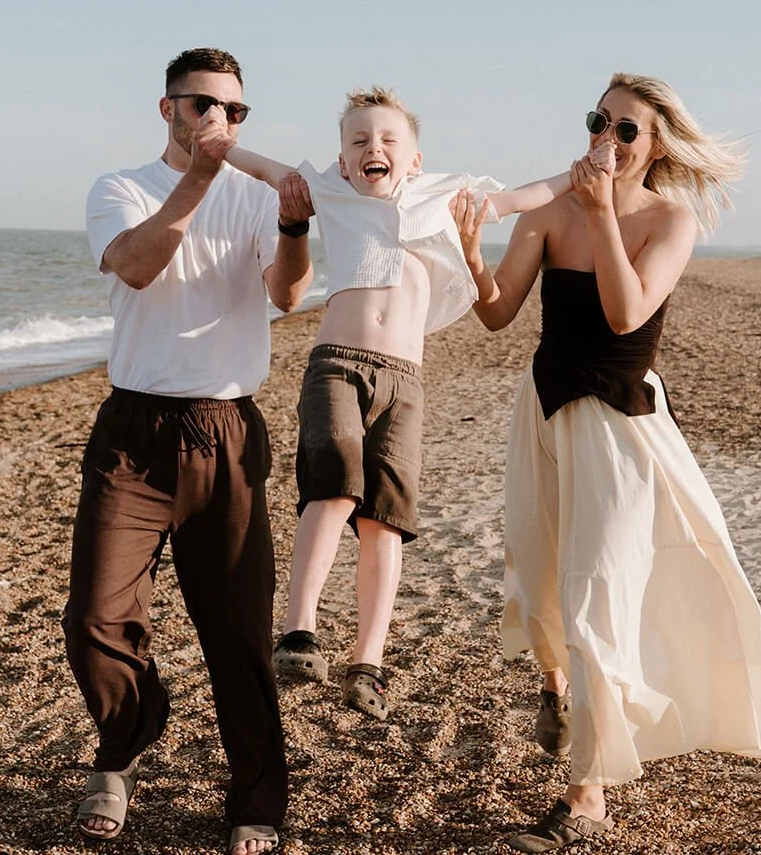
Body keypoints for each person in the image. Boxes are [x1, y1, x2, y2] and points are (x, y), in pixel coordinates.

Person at [451, 73, 761, 853]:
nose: (606, 137)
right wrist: (472, 255)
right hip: (542, 412)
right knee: (538, 580)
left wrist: (600, 215)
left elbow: (626, 312)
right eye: (599, 119)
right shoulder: (549, 211)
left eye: (626, 128)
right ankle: (557, 688)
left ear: (655, 143)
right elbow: (499, 315)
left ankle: (587, 792)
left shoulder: (672, 220)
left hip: (621, 427)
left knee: (597, 591)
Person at [220, 86, 572, 721]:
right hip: (338, 364)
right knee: (331, 489)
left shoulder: (446, 196)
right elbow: (266, 169)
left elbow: (522, 196)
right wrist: (219, 143)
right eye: (357, 142)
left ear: (414, 160)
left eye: (387, 141)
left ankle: (369, 663)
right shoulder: (328, 190)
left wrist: (580, 173)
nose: (371, 149)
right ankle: (299, 631)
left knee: (386, 520)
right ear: (342, 158)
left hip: (405, 379)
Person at [64, 47, 313, 855]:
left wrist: (294, 224)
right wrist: (200, 179)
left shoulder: (252, 194)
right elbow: (137, 267)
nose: (219, 121)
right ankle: (132, 732)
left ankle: (256, 801)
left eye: (235, 111)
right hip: (133, 431)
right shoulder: (120, 188)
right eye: (203, 105)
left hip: (227, 429)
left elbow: (287, 293)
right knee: (97, 617)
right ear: (166, 108)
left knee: (237, 634)